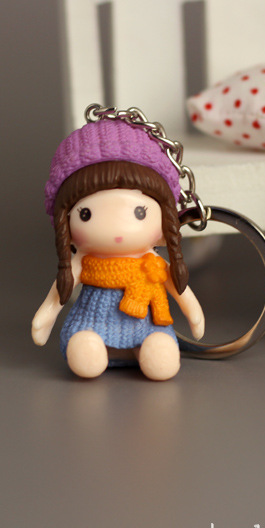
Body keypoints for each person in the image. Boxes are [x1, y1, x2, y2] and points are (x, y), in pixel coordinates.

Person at [32, 117, 204, 380]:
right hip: (92, 325)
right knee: (85, 349)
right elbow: (57, 296)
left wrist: (194, 314)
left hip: (146, 328)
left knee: (161, 357)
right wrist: (44, 318)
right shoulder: (82, 262)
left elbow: (180, 290)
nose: (117, 230)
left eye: (139, 212)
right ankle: (87, 350)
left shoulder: (153, 263)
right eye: (86, 214)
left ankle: (155, 350)